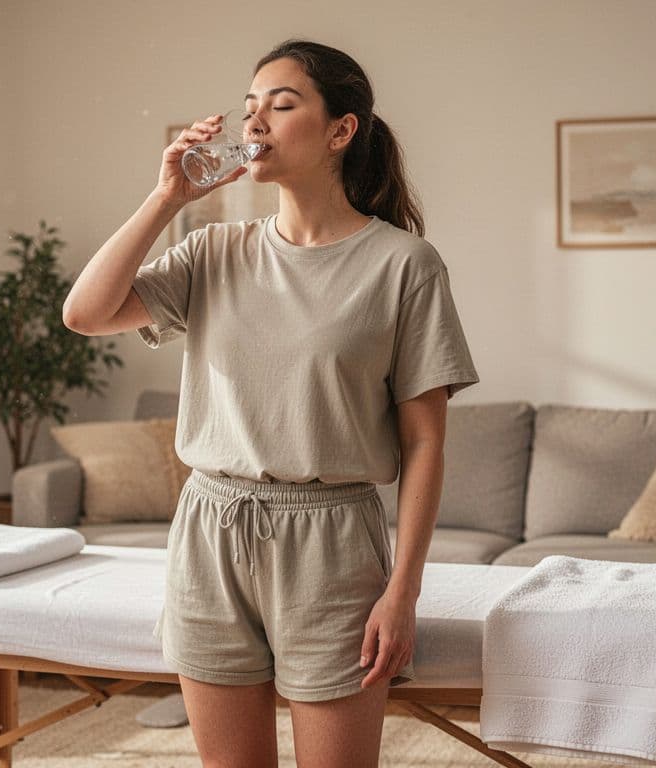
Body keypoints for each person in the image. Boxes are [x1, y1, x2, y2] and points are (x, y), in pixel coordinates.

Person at [62, 39, 479, 768]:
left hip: (332, 545)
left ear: (341, 131)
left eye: (282, 106)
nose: (254, 122)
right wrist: (167, 197)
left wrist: (402, 591)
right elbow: (86, 313)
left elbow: (424, 444)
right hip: (208, 530)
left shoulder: (403, 266)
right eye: (249, 107)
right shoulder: (212, 252)